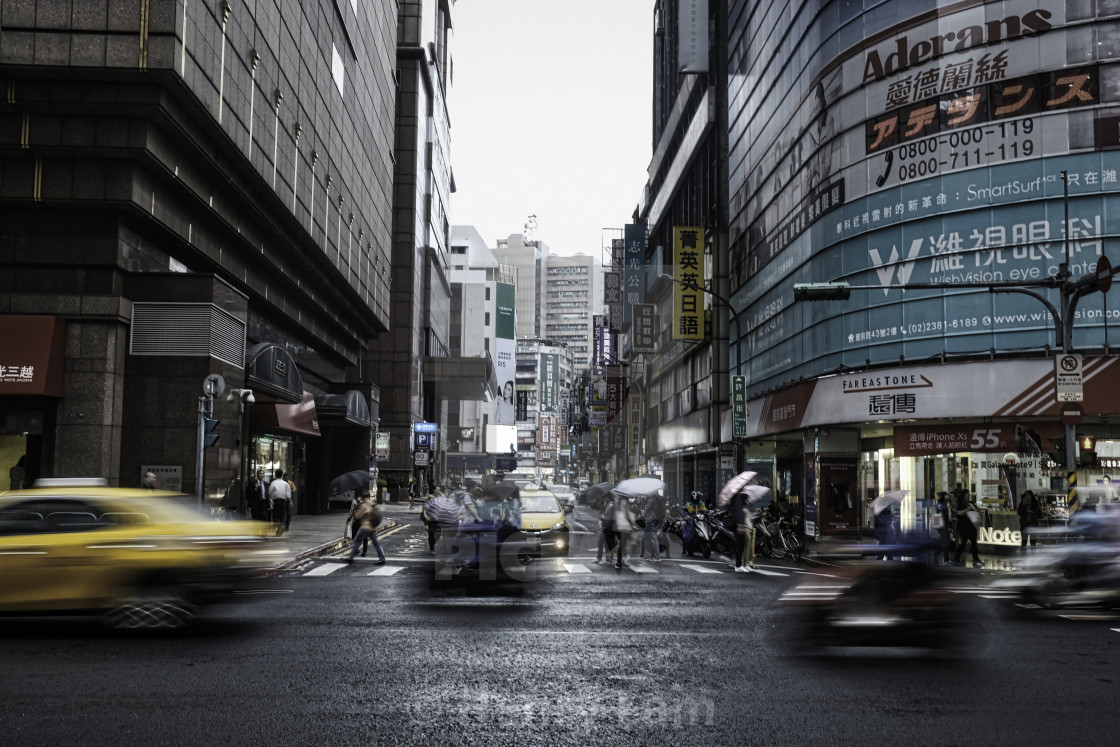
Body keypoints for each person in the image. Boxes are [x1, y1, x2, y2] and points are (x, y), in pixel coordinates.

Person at [346, 490, 385, 564]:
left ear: (362, 497)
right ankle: (382, 558)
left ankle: (350, 558)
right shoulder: (373, 504)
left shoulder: (364, 505)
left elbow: (357, 516)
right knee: (376, 543)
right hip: (373, 527)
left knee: (356, 541)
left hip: (365, 527)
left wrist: (355, 510)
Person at [728, 490, 757, 573]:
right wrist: (740, 522)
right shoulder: (737, 499)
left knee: (743, 545)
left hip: (742, 524)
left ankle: (742, 564)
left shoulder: (739, 500)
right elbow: (738, 513)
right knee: (741, 545)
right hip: (740, 524)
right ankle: (739, 565)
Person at [953, 490, 984, 568]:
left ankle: (976, 559)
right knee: (963, 543)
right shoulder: (960, 503)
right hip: (964, 526)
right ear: (964, 495)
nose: (969, 495)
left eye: (969, 494)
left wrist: (979, 513)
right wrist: (968, 509)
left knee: (974, 543)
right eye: (967, 494)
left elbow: (977, 510)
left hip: (972, 526)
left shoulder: (971, 503)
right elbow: (959, 513)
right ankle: (956, 558)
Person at [640, 490, 667, 561]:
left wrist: (643, 511)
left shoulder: (651, 499)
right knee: (647, 537)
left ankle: (657, 557)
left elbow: (646, 508)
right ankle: (651, 555)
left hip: (651, 520)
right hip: (657, 520)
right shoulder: (659, 498)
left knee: (652, 538)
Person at [268, 468, 293, 535]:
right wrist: (290, 501)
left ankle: (278, 528)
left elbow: (270, 492)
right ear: (282, 475)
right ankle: (281, 527)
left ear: (275, 475)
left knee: (276, 515)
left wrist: (271, 498)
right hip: (283, 501)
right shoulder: (285, 483)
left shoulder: (273, 483)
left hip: (275, 501)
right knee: (282, 515)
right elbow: (288, 494)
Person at [934, 492, 952, 565]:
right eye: (946, 496)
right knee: (945, 541)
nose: (948, 497)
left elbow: (947, 516)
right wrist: (946, 501)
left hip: (945, 525)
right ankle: (945, 558)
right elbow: (942, 509)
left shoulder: (945, 503)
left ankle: (939, 555)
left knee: (945, 542)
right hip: (941, 525)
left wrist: (949, 526)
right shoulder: (940, 503)